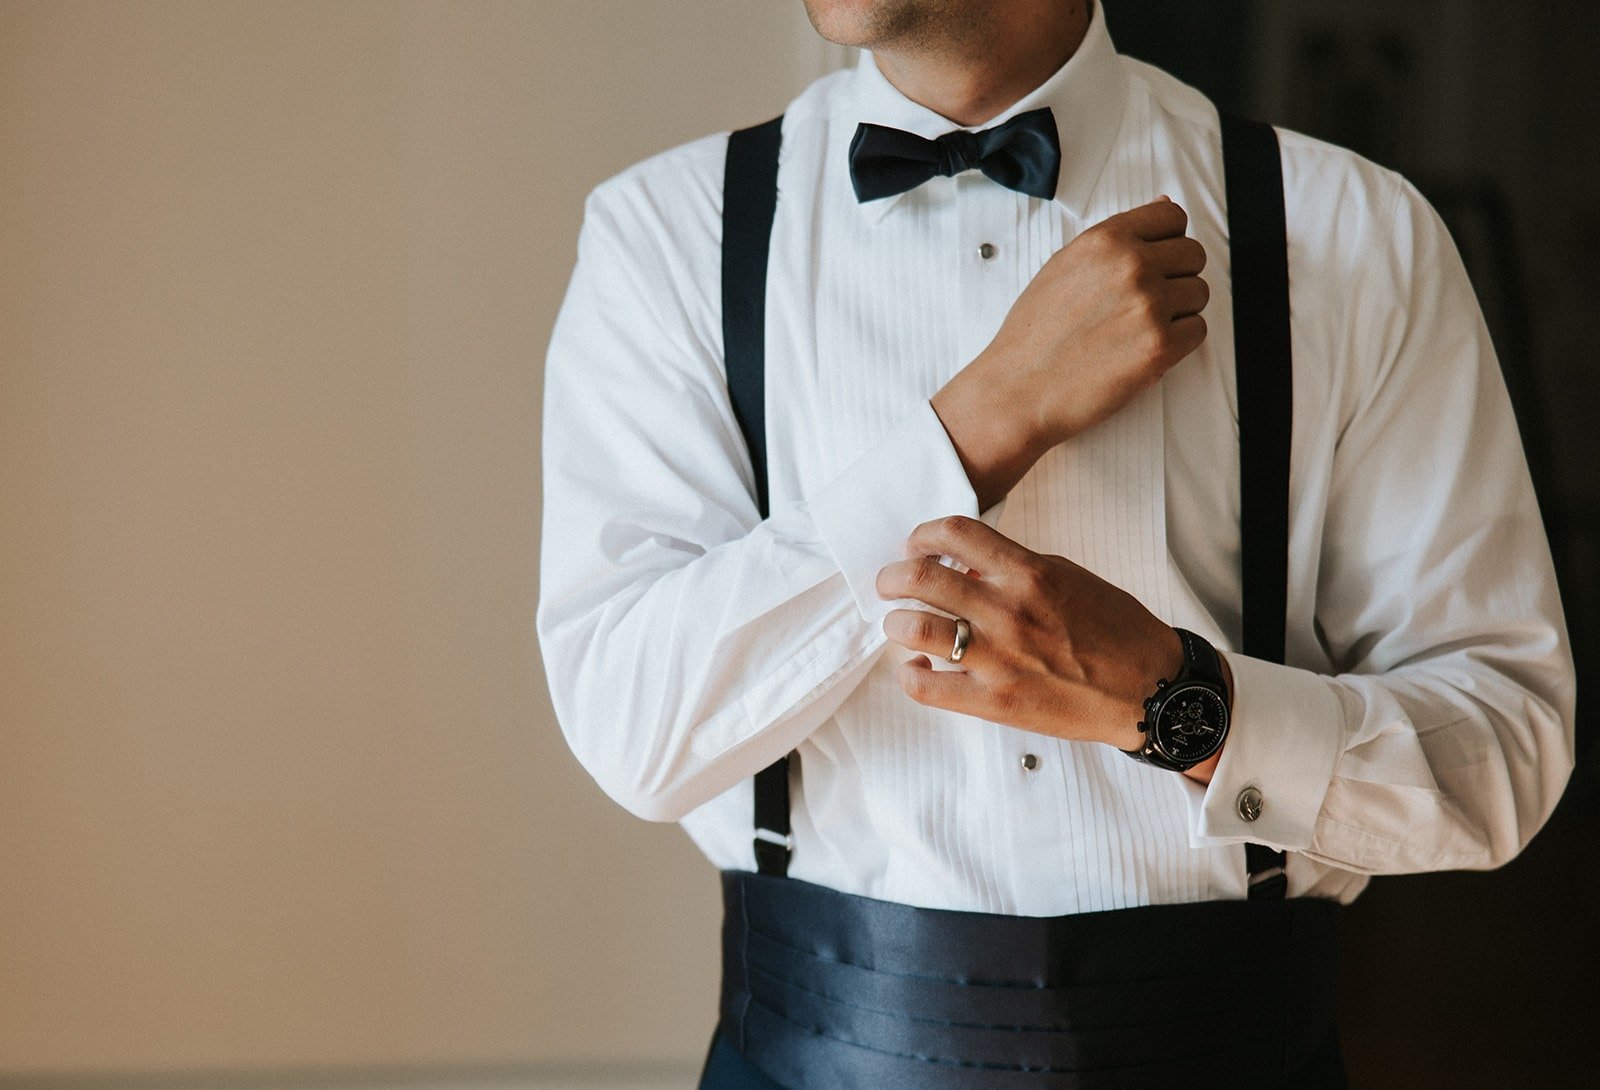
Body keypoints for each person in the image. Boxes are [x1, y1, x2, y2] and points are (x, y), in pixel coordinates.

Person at [536, 1, 1575, 1086]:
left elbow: (1502, 750)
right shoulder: (667, 235)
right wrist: (989, 417)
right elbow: (634, 730)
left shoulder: (1353, 232)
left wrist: (1180, 706)